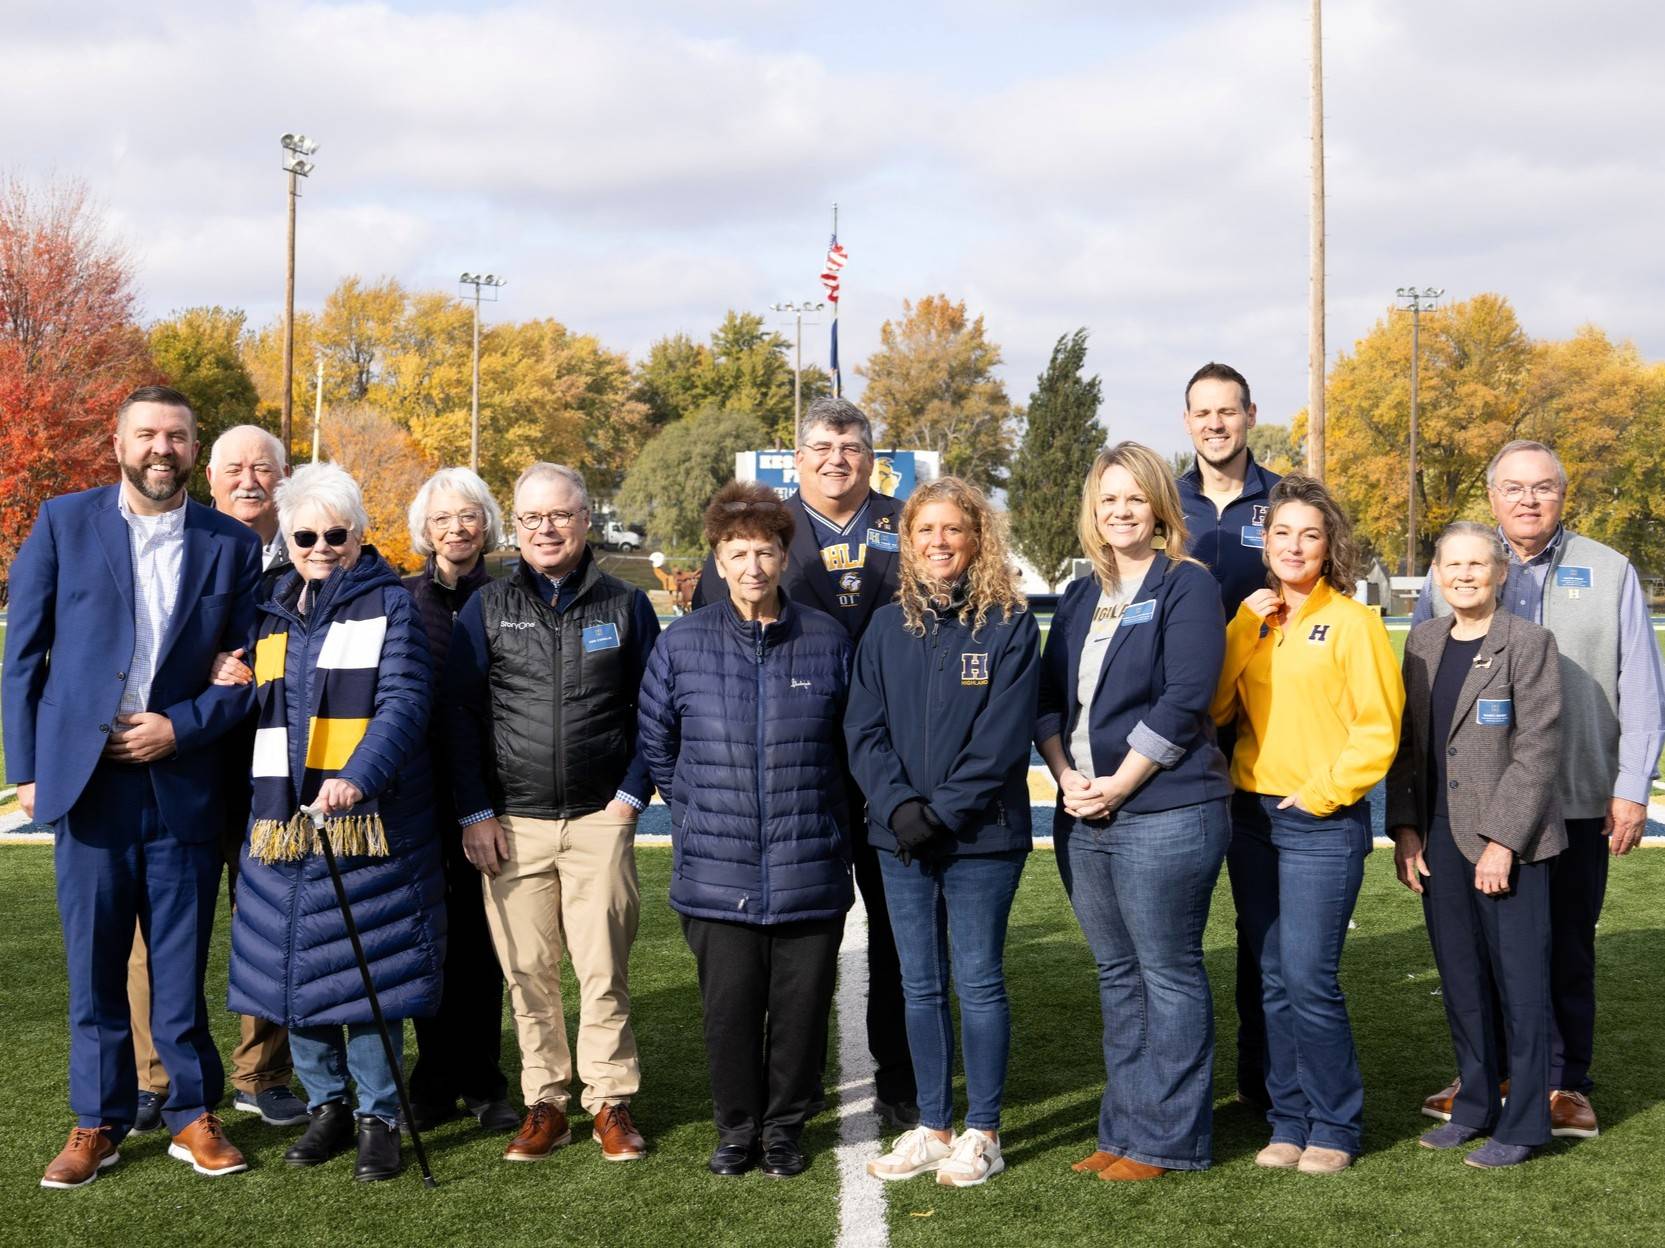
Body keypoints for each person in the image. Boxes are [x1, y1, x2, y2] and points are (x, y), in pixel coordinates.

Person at [3, 386, 260, 1188]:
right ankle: (97, 1122)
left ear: (194, 449)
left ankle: (191, 1115)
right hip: (86, 786)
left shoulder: (231, 544)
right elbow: (24, 656)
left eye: (177, 437)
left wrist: (180, 724)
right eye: (147, 434)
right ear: (118, 443)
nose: (161, 449)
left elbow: (250, 671)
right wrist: (28, 772)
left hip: (182, 781)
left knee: (179, 967)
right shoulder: (64, 521)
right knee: (94, 965)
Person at [1410, 441, 1665, 1137]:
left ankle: (1561, 1081)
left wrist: (1631, 786)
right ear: (1492, 497)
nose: (1528, 500)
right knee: (1481, 946)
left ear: (1563, 495)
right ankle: (1484, 1072)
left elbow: (1640, 685)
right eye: (1514, 488)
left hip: (1575, 792)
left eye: (1543, 488)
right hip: (1474, 803)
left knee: (1564, 942)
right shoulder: (1461, 568)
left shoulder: (1608, 570)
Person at [691, 396, 918, 1126]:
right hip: (794, 773)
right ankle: (795, 1082)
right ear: (797, 458)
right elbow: (710, 643)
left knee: (897, 935)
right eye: (821, 445)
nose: (836, 458)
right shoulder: (760, 529)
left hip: (892, 766)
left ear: (870, 455)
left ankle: (900, 1076)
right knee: (793, 937)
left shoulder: (908, 524)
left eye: (850, 445)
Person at [224, 462, 443, 1182]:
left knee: (366, 979)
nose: (320, 545)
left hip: (364, 824)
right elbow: (247, 692)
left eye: (335, 533)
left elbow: (405, 702)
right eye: (305, 534)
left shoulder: (391, 603)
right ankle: (329, 1107)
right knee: (295, 975)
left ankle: (379, 1112)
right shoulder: (266, 605)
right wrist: (227, 677)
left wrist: (358, 777)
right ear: (287, 540)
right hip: (279, 825)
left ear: (358, 534)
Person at [446, 462, 661, 1163]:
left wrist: (630, 797)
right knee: (528, 974)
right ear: (516, 525)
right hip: (511, 822)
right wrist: (475, 810)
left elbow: (657, 713)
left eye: (559, 515)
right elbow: (459, 715)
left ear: (584, 521)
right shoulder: (486, 608)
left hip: (601, 816)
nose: (545, 528)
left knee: (603, 970)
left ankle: (611, 1103)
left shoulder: (628, 605)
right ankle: (547, 1103)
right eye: (532, 518)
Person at [638, 481, 854, 1179]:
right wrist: (701, 807)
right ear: (717, 561)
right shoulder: (684, 645)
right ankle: (735, 1129)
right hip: (717, 870)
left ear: (785, 556)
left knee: (798, 1016)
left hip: (807, 866)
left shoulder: (825, 639)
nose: (752, 566)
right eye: (738, 553)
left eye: (765, 551)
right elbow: (657, 740)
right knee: (728, 1014)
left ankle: (785, 1128)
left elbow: (850, 747)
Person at [1036, 442, 1232, 1182]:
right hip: (1082, 811)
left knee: (1167, 973)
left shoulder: (1185, 584)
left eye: (1133, 498)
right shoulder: (1083, 592)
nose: (1120, 512)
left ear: (1158, 507)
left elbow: (1183, 698)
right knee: (1118, 976)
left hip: (1164, 811)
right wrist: (1064, 775)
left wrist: (1117, 782)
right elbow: (1049, 698)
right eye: (1107, 500)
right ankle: (1122, 1130)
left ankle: (1168, 1141)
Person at [847, 477, 1040, 1189]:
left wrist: (939, 814)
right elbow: (860, 728)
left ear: (976, 538)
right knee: (919, 986)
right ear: (908, 540)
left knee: (979, 981)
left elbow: (1000, 740)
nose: (938, 542)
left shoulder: (1009, 624)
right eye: (924, 530)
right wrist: (899, 809)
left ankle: (981, 1132)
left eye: (952, 529)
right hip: (898, 840)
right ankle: (931, 1125)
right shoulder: (884, 624)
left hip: (979, 839)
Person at [1210, 474, 1404, 1175]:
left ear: (1329, 547)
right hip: (1251, 818)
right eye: (1282, 533)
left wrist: (1320, 795)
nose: (1294, 545)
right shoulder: (1254, 620)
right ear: (1264, 542)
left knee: (1308, 977)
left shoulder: (1353, 623)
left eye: (1309, 535)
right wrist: (1241, 625)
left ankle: (1335, 1124)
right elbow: (1217, 708)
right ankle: (1286, 1118)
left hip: (1318, 822)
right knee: (1269, 978)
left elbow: (1377, 730)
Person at [125, 424, 307, 1134]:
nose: (248, 480)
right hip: (185, 768)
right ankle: (155, 1078)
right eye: (233, 467)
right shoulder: (176, 544)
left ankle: (263, 1073)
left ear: (284, 478)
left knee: (270, 926)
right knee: (158, 933)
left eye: (262, 467)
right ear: (210, 476)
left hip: (275, 776)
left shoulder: (310, 550)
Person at [1387, 522, 1565, 1169]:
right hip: (1437, 839)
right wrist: (1405, 829)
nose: (1463, 575)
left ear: (1499, 574)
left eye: (1475, 565)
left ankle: (1523, 1125)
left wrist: (1501, 842)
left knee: (1517, 987)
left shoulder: (1529, 643)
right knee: (1461, 982)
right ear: (1436, 573)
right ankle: (1473, 1107)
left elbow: (1537, 751)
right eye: (1451, 565)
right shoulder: (1424, 640)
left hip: (1505, 847)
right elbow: (1406, 745)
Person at [1174, 361, 1282, 1113]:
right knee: (1173, 924)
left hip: (1263, 728)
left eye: (1227, 411)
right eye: (1202, 413)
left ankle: (1262, 1082)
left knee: (1261, 920)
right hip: (1176, 731)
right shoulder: (1161, 500)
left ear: (1249, 416)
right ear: (1187, 422)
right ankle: (1173, 1089)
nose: (1215, 424)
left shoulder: (1284, 499)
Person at [399, 468, 518, 1135]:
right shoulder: (399, 599)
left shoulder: (506, 598)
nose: (456, 528)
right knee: (426, 940)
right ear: (425, 528)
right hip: (416, 797)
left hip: (487, 795)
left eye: (468, 515)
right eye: (442, 517)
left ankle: (484, 1079)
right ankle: (432, 1079)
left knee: (481, 945)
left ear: (487, 524)